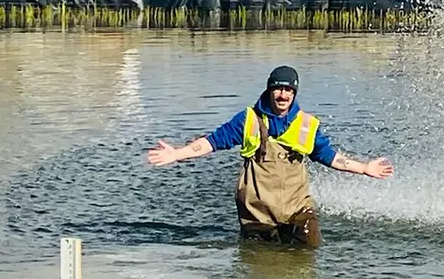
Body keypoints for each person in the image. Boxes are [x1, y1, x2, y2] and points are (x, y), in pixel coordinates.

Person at [147, 65, 393, 248]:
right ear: (269, 90)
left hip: (297, 209)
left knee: (308, 257)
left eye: (288, 90)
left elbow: (329, 156)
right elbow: (212, 142)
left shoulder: (307, 124)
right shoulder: (248, 120)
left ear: (294, 93)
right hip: (257, 212)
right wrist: (177, 154)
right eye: (278, 89)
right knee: (260, 267)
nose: (283, 95)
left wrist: (364, 168)